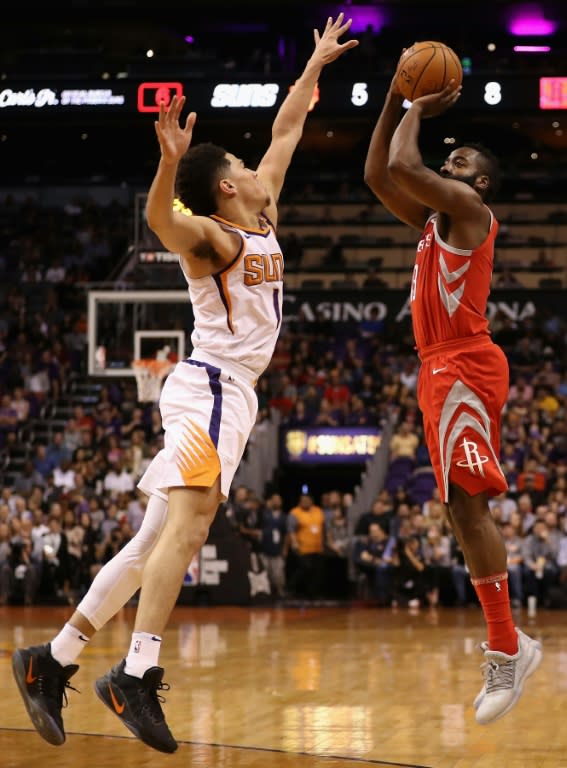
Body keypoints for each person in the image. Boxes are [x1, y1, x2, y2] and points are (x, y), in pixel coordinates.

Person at [11, 14, 359, 754]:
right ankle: (135, 673)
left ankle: (50, 660)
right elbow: (160, 222)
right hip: (210, 386)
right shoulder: (210, 238)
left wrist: (313, 66)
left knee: (151, 544)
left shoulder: (259, 206)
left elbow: (289, 126)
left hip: (230, 391)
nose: (259, 166)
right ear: (226, 186)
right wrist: (169, 163)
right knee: (193, 526)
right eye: (242, 162)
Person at [363, 54, 542, 725]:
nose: (450, 163)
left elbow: (407, 169)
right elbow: (378, 174)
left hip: (464, 363)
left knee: (469, 508)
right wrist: (392, 94)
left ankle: (505, 646)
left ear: (481, 182)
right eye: (451, 156)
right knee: (456, 513)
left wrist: (416, 107)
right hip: (438, 366)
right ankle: (507, 641)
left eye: (461, 159)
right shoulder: (432, 225)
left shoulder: (468, 210)